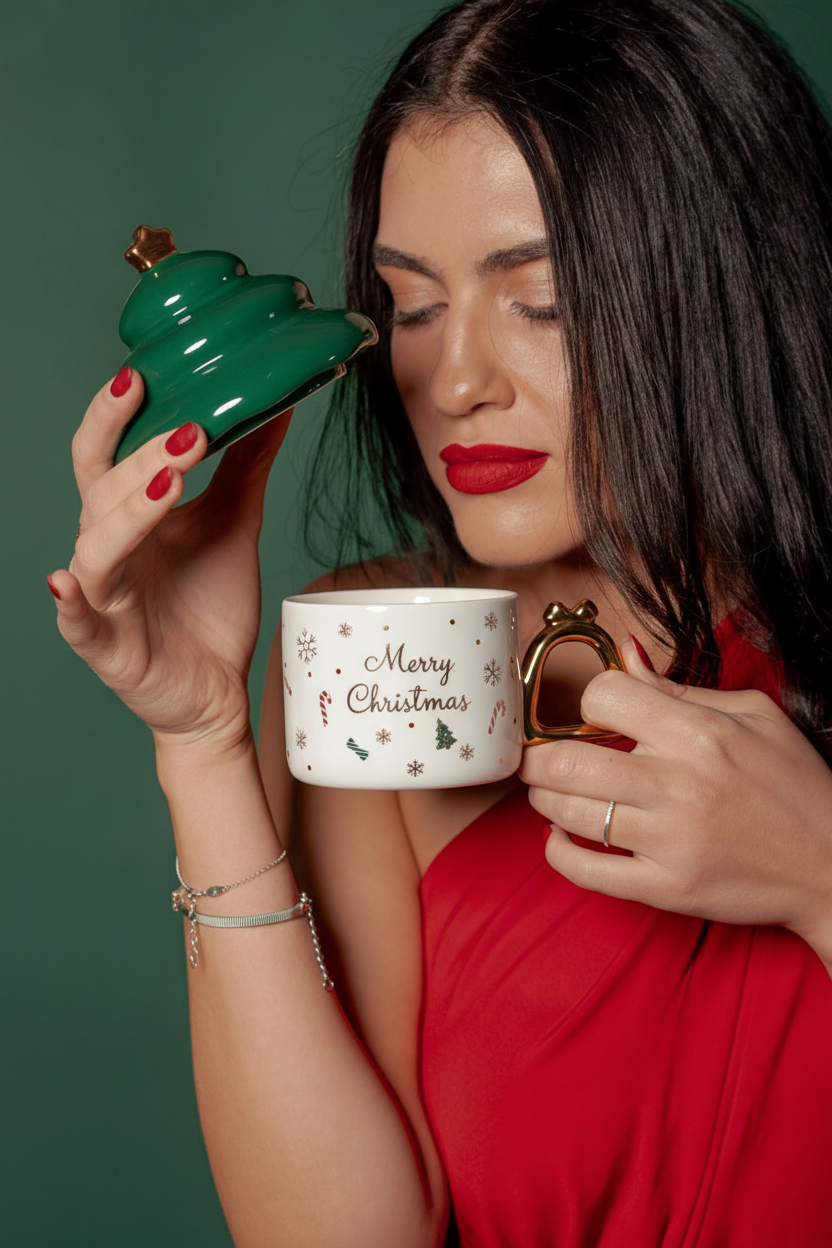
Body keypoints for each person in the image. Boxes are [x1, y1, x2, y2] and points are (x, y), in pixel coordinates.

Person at [49, 0, 832, 1243]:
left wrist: (819, 871)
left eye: (545, 301)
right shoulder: (382, 663)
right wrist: (199, 745)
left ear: (723, 287)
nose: (454, 381)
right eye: (411, 307)